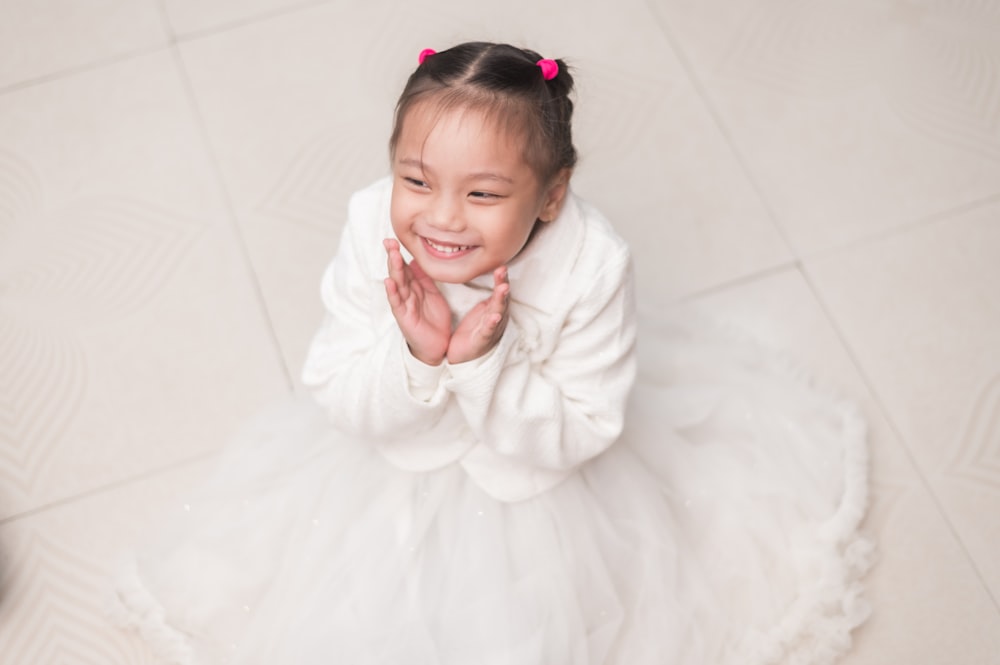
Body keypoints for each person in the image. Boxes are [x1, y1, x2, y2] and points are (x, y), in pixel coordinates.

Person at [110, 42, 873, 665]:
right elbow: (339, 392)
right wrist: (419, 353)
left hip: (538, 480)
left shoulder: (593, 266)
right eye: (416, 179)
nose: (441, 218)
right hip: (389, 461)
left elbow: (578, 435)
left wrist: (481, 364)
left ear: (551, 196)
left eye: (482, 194)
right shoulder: (370, 221)